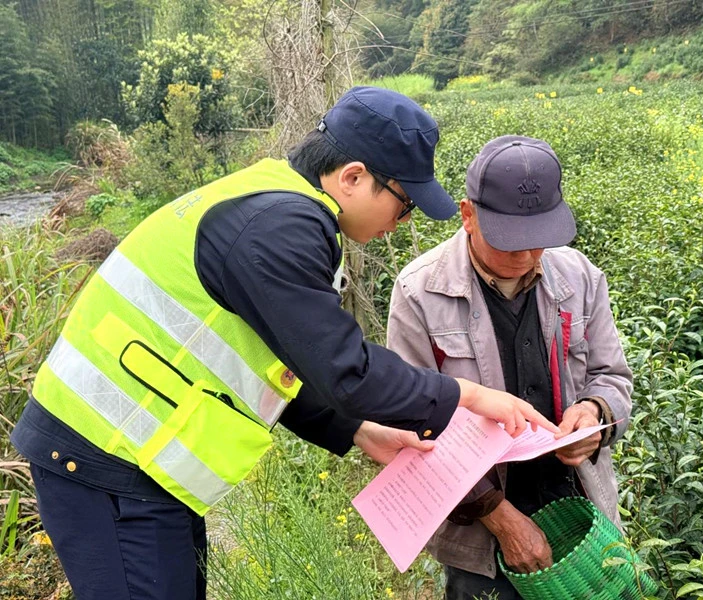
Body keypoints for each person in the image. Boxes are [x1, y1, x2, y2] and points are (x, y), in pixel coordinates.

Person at [10, 89, 554, 600]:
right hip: (107, 460)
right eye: (404, 203)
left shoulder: (272, 204)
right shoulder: (279, 226)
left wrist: (356, 430)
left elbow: (286, 364)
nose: (400, 221)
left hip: (135, 463)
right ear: (353, 177)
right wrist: (470, 396)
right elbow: (348, 370)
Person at [386, 135, 633, 599]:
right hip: (482, 538)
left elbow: (612, 375)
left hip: (580, 514)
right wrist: (502, 520)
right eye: (509, 242)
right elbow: (410, 426)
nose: (525, 257)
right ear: (467, 214)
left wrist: (595, 413)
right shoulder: (420, 293)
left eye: (537, 241)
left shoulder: (579, 276)